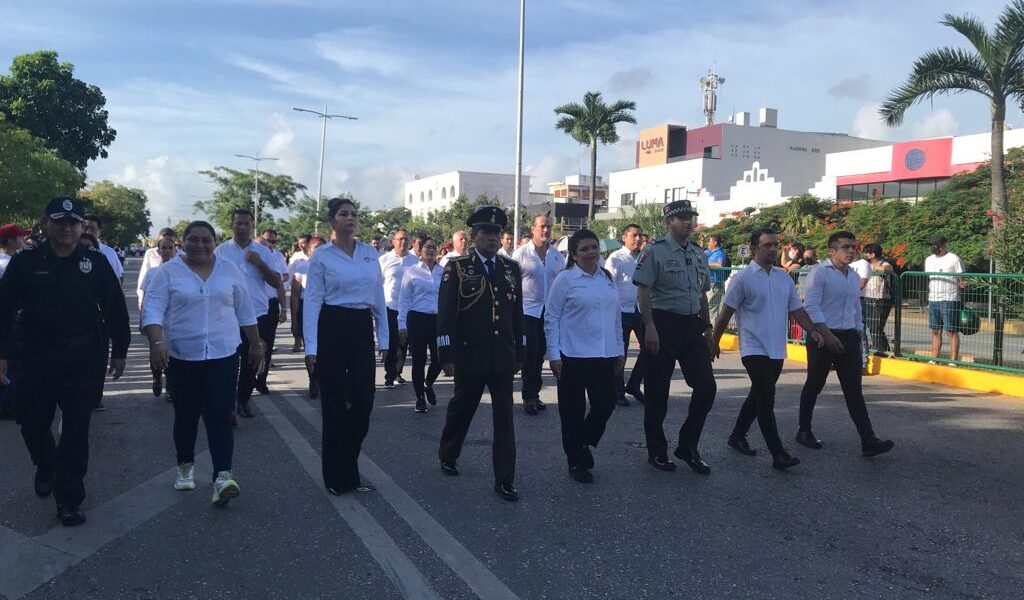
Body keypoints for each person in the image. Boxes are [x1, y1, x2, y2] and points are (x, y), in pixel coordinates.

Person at [0, 197, 130, 526]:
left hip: (82, 357)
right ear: (46, 224)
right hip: (34, 356)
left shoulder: (95, 263)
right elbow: (2, 311)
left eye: (74, 223)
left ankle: (69, 499)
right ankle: (46, 464)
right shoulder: (25, 264)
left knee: (75, 431)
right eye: (59, 222)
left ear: (82, 227)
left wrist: (120, 350)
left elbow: (115, 308)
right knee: (31, 423)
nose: (66, 230)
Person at [141, 221, 262, 506]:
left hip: (223, 354)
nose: (200, 245)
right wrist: (158, 342)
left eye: (206, 240)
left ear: (214, 242)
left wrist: (256, 344)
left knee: (220, 414)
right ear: (184, 243)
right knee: (186, 415)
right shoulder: (168, 272)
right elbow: (153, 309)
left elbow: (245, 310)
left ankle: (223, 477)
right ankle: (185, 465)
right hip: (182, 355)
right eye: (193, 240)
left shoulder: (230, 270)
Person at [711, 229, 840, 471]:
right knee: (766, 398)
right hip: (753, 347)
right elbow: (724, 314)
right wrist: (714, 342)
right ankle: (778, 453)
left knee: (758, 395)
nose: (772, 249)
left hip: (776, 348)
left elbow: (797, 310)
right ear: (754, 249)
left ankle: (737, 436)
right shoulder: (743, 278)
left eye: (774, 245)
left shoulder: (783, 278)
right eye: (767, 245)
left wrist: (813, 330)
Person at [437, 206, 525, 502]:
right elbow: (446, 314)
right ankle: (449, 453)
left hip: (501, 356)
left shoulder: (511, 268)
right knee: (463, 408)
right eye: (486, 232)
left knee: (504, 419)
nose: (492, 237)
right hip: (469, 355)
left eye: (497, 233)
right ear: (474, 236)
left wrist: (521, 350)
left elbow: (517, 314)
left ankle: (505, 479)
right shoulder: (458, 267)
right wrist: (446, 351)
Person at [304, 198, 389, 495]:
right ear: (332, 221)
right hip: (332, 325)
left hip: (361, 326)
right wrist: (310, 347)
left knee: (364, 401)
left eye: (354, 214)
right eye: (344, 214)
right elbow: (312, 301)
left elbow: (378, 296)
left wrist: (385, 337)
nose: (350, 218)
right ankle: (337, 477)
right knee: (334, 403)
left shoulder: (369, 253)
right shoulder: (321, 256)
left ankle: (348, 464)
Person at [632, 199, 717, 474]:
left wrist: (707, 327)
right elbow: (643, 291)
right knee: (658, 392)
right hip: (662, 324)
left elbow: (702, 292)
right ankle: (657, 451)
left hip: (691, 326)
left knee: (706, 388)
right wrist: (650, 327)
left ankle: (687, 445)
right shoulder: (654, 251)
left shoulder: (699, 254)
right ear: (669, 222)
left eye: (690, 217)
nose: (688, 222)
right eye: (681, 218)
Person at [796, 231, 895, 457]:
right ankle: (804, 430)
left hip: (849, 336)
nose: (851, 251)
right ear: (832, 251)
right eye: (845, 247)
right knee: (815, 384)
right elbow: (811, 306)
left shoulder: (852, 276)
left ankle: (868, 440)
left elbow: (855, 307)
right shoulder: (818, 273)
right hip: (822, 337)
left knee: (854, 390)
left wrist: (858, 333)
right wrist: (826, 334)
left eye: (853, 247)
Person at [545, 229, 624, 483]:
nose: (591, 253)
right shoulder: (565, 280)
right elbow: (552, 317)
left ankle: (584, 442)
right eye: (584, 249)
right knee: (572, 412)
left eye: (594, 248)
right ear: (574, 255)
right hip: (573, 354)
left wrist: (620, 349)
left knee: (605, 403)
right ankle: (575, 461)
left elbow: (616, 317)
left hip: (604, 354)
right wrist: (554, 354)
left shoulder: (607, 278)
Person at [215, 209, 285, 419]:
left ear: (253, 227)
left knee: (253, 360)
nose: (243, 227)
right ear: (231, 225)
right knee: (228, 361)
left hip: (257, 314)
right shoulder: (221, 252)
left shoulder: (263, 252)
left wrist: (260, 263)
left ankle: (243, 398)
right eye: (239, 223)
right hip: (228, 315)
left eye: (247, 224)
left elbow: (276, 281)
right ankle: (227, 403)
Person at [511, 214, 565, 415]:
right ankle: (528, 396)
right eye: (542, 226)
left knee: (541, 354)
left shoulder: (557, 256)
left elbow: (561, 284)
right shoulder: (521, 254)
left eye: (549, 227)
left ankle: (535, 393)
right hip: (527, 311)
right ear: (533, 229)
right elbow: (512, 284)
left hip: (549, 313)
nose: (546, 230)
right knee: (529, 355)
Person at [398, 235, 443, 413]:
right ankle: (419, 398)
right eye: (427, 247)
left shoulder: (444, 271)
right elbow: (404, 299)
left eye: (433, 247)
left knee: (440, 357)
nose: (431, 250)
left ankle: (428, 383)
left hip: (437, 319)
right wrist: (402, 322)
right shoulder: (411, 271)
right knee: (419, 360)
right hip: (417, 318)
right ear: (420, 250)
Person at [606, 223, 646, 407]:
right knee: (619, 353)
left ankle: (634, 384)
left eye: (640, 236)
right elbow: (608, 285)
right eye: (634, 235)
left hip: (640, 309)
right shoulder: (615, 258)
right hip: (621, 311)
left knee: (651, 349)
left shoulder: (644, 258)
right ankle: (617, 391)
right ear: (624, 237)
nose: (638, 239)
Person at [138, 236, 179, 399]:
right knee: (156, 347)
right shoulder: (153, 272)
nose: (167, 251)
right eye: (164, 248)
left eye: (170, 248)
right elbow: (147, 296)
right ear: (158, 251)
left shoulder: (180, 271)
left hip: (173, 318)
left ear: (175, 250)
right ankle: (156, 378)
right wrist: (143, 318)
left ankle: (171, 386)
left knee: (171, 351)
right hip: (156, 318)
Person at [379, 229, 419, 388]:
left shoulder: (415, 260)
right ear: (393, 241)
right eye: (400, 239)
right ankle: (390, 375)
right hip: (390, 307)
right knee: (391, 342)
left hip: (409, 308)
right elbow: (377, 284)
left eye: (406, 239)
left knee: (404, 343)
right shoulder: (384, 260)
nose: (403, 242)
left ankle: (398, 372)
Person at [0, 224, 30, 420]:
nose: (23, 241)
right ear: (11, 241)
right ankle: (7, 404)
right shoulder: (9, 265)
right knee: (10, 362)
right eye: (20, 237)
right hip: (8, 320)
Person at [255, 228, 289, 395]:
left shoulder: (275, 258)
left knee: (267, 344)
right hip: (251, 306)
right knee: (249, 344)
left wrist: (284, 308)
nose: (269, 246)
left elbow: (280, 284)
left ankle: (261, 380)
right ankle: (247, 379)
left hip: (270, 304)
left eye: (272, 242)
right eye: (265, 242)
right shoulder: (248, 257)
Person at [290, 236, 324, 398]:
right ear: (309, 250)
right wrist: (295, 319)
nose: (320, 250)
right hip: (307, 309)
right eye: (316, 247)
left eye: (323, 247)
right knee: (310, 347)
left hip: (328, 310)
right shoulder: (302, 267)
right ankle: (313, 378)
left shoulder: (334, 267)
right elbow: (295, 296)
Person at [925, 235, 965, 363]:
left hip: (949, 298)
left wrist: (962, 284)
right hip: (933, 298)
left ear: (943, 245)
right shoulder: (929, 260)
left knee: (950, 330)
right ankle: (934, 358)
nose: (933, 247)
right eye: (932, 245)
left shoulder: (953, 259)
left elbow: (962, 278)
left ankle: (953, 361)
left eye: (935, 244)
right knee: (935, 330)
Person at [862, 243, 894, 354]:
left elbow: (887, 269)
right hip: (867, 297)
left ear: (873, 254)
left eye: (867, 252)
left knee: (877, 327)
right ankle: (882, 350)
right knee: (871, 327)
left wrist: (873, 268)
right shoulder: (864, 265)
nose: (865, 255)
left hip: (881, 299)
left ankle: (881, 350)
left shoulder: (884, 263)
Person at [138, 228, 181, 303]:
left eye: (170, 246)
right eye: (163, 246)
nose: (167, 250)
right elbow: (144, 275)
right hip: (154, 296)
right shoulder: (150, 253)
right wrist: (141, 298)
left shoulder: (182, 256)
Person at [288, 234, 312, 353]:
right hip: (302, 296)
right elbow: (290, 273)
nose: (301, 246)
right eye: (299, 243)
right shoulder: (297, 257)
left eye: (304, 243)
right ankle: (298, 339)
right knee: (299, 321)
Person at [83, 215, 124, 283]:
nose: (88, 232)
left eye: (92, 229)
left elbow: (118, 277)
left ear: (99, 232)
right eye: (85, 228)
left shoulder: (109, 253)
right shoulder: (70, 250)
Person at [704, 234, 728, 327]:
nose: (708, 243)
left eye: (710, 241)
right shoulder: (710, 252)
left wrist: (707, 264)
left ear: (715, 242)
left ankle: (713, 330)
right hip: (709, 284)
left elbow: (720, 265)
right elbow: (700, 254)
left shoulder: (719, 253)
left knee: (712, 309)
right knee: (708, 308)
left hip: (715, 285)